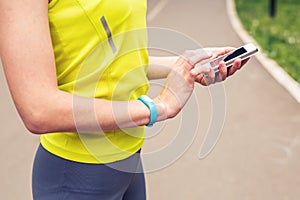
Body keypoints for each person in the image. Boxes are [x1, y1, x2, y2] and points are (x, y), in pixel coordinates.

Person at [0, 0, 246, 199]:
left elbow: (114, 63)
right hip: (75, 174)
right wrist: (159, 107)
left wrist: (186, 66)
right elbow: (38, 110)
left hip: (129, 163)